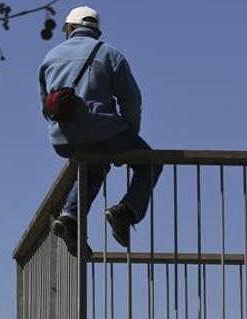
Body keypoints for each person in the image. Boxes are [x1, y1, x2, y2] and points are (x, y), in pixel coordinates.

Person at [38, 6, 161, 256]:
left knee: (95, 166)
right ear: (96, 30)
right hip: (104, 133)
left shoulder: (49, 58)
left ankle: (70, 216)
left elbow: (45, 106)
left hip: (62, 139)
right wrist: (127, 137)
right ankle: (126, 212)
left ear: (69, 29)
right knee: (150, 161)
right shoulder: (109, 54)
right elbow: (132, 101)